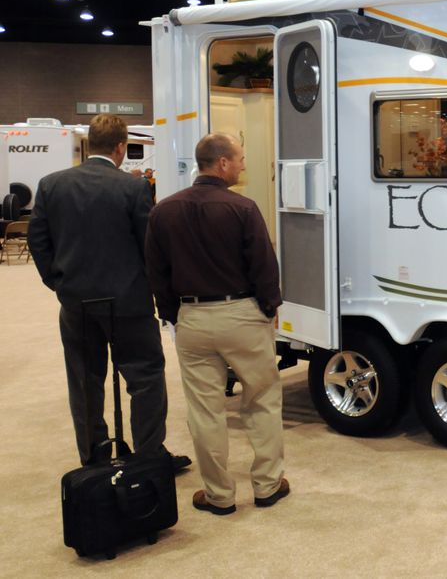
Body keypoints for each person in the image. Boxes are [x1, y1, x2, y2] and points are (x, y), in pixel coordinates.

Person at [27, 114, 188, 471]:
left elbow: (37, 240)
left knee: (84, 380)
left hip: (76, 303)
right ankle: (148, 459)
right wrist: (159, 295)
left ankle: (94, 457)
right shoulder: (133, 188)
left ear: (88, 145)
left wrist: (58, 281)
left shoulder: (51, 184)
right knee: (145, 378)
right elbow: (150, 249)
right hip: (129, 303)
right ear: (120, 147)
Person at [144, 133, 287, 516]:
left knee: (204, 411)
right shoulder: (243, 208)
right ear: (221, 163)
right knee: (261, 400)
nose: (243, 164)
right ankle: (268, 486)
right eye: (239, 158)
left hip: (191, 318)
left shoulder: (163, 210)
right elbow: (263, 264)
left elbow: (156, 271)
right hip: (241, 315)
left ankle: (219, 496)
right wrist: (270, 304)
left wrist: (172, 313)